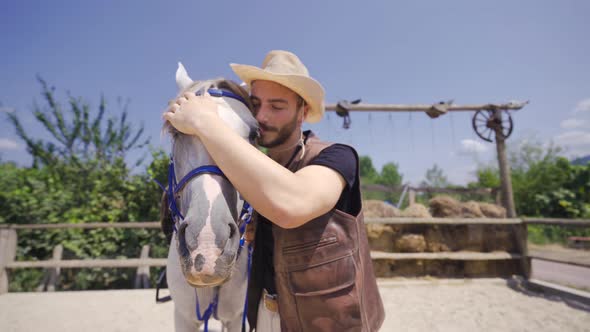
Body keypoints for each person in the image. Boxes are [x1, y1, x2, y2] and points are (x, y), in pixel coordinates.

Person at [164, 50, 384, 332]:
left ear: (303, 112)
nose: (262, 116)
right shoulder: (253, 171)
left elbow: (292, 204)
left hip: (328, 324)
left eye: (277, 106)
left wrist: (203, 122)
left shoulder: (338, 157)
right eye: (256, 104)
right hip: (263, 318)